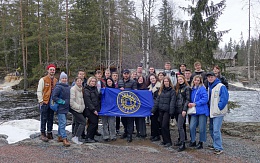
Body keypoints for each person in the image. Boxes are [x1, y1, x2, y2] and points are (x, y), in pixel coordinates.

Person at [207, 72, 229, 155]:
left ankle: (219, 147)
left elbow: (224, 98)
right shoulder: (209, 87)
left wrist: (219, 107)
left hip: (218, 112)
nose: (210, 78)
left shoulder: (221, 86)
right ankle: (215, 144)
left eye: (211, 77)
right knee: (211, 129)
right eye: (208, 77)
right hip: (212, 112)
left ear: (215, 77)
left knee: (216, 130)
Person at [151, 76, 176, 148]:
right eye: (165, 81)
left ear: (169, 82)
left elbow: (172, 101)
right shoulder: (161, 90)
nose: (166, 82)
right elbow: (157, 101)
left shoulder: (172, 91)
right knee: (161, 126)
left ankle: (168, 141)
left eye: (167, 81)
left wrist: (171, 112)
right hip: (160, 110)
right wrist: (153, 110)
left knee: (165, 125)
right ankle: (164, 140)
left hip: (167, 110)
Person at [37, 64, 58, 142]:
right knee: (43, 117)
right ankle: (42, 133)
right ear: (48, 70)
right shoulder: (43, 79)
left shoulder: (56, 80)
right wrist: (41, 101)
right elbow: (39, 91)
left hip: (52, 102)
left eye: (53, 70)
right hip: (45, 101)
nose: (52, 71)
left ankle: (49, 132)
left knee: (51, 117)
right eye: (51, 70)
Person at [188, 75, 209, 149]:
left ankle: (201, 142)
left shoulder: (202, 89)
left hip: (202, 110)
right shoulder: (192, 89)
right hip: (194, 111)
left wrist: (196, 103)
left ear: (200, 81)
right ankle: (193, 140)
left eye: (198, 80)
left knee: (202, 128)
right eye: (195, 80)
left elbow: (205, 99)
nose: (196, 82)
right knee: (191, 126)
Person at [52, 72, 71, 147]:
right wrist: (62, 102)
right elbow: (54, 97)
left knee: (61, 123)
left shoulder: (67, 86)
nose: (64, 79)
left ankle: (60, 136)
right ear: (60, 79)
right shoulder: (58, 87)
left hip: (66, 108)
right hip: (60, 108)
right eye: (63, 78)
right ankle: (64, 138)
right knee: (63, 123)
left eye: (65, 78)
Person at [118, 69, 137, 143]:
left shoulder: (133, 82)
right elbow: (116, 90)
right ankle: (125, 132)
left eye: (127, 74)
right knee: (123, 120)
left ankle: (130, 135)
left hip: (130, 104)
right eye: (124, 74)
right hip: (122, 104)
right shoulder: (120, 81)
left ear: (129, 74)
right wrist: (119, 89)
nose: (126, 75)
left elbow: (135, 91)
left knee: (130, 120)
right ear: (123, 74)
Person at [174, 75, 191, 152]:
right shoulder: (177, 88)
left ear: (184, 79)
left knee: (180, 126)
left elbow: (188, 99)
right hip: (176, 109)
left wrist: (184, 109)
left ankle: (183, 143)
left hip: (182, 109)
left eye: (181, 79)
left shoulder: (187, 88)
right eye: (178, 79)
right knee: (181, 125)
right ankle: (181, 139)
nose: (180, 80)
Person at [84, 76, 101, 143]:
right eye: (92, 81)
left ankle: (91, 137)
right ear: (89, 82)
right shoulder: (86, 90)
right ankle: (88, 137)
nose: (93, 83)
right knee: (92, 123)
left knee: (95, 123)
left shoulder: (95, 89)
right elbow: (88, 101)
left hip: (96, 108)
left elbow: (97, 98)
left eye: (94, 81)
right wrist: (93, 110)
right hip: (90, 110)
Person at [71, 69, 87, 138]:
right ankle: (74, 135)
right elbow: (72, 100)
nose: (81, 75)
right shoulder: (73, 86)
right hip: (76, 107)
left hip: (82, 107)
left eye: (83, 74)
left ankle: (80, 134)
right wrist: (78, 107)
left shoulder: (84, 84)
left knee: (79, 122)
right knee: (76, 121)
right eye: (80, 74)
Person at [70, 77, 85, 145]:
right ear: (75, 82)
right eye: (78, 81)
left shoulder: (81, 89)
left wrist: (83, 106)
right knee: (83, 122)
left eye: (80, 81)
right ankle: (76, 136)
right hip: (75, 109)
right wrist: (78, 107)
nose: (79, 82)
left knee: (77, 123)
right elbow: (72, 101)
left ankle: (75, 137)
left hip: (80, 109)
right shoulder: (73, 89)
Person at [101, 77, 117, 141]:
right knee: (104, 123)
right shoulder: (104, 89)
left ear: (112, 82)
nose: (109, 83)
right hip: (104, 108)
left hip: (112, 109)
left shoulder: (115, 90)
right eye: (108, 82)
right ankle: (106, 136)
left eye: (110, 81)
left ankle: (113, 135)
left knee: (112, 123)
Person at [148, 74, 161, 142]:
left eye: (153, 78)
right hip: (151, 106)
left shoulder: (159, 86)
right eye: (151, 79)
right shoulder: (149, 87)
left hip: (157, 106)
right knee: (152, 121)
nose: (152, 80)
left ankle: (157, 135)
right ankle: (153, 134)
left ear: (156, 78)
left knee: (156, 121)